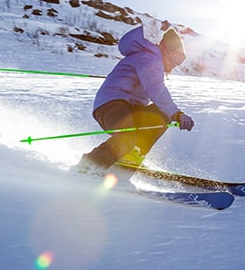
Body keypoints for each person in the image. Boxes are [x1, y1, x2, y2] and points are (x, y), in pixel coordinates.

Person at [76, 21, 194, 174]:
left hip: (130, 107)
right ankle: (89, 166)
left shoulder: (152, 60)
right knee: (128, 135)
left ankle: (129, 158)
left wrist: (172, 113)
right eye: (175, 58)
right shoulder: (150, 58)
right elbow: (156, 89)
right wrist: (177, 113)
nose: (174, 65)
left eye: (180, 62)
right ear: (165, 49)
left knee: (161, 112)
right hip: (111, 105)